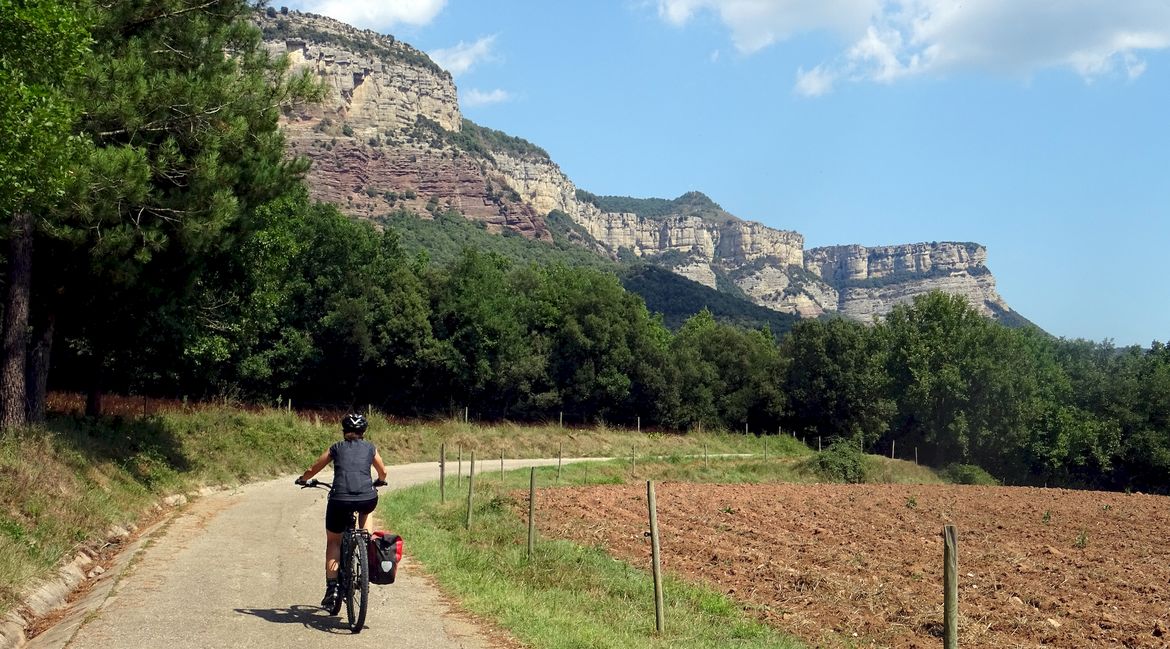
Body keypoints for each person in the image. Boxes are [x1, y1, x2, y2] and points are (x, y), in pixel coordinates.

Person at [295, 412, 388, 610]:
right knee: (367, 509)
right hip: (366, 497)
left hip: (339, 499)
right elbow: (383, 472)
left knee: (333, 541)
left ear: (344, 431)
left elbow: (314, 468)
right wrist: (379, 481)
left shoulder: (336, 448)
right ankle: (365, 540)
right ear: (363, 432)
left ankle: (332, 589)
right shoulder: (371, 448)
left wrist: (303, 479)